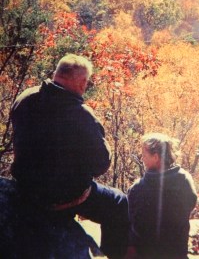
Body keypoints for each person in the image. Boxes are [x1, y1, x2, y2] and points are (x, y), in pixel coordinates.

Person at [11, 53, 129, 259]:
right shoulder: (81, 114)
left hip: (26, 188)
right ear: (82, 82)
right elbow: (101, 163)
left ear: (57, 73)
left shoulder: (25, 98)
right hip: (65, 196)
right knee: (119, 203)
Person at [127, 133, 197, 259]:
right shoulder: (185, 180)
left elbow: (133, 222)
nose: (142, 158)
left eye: (144, 155)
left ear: (156, 157)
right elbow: (191, 204)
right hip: (177, 252)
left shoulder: (137, 189)